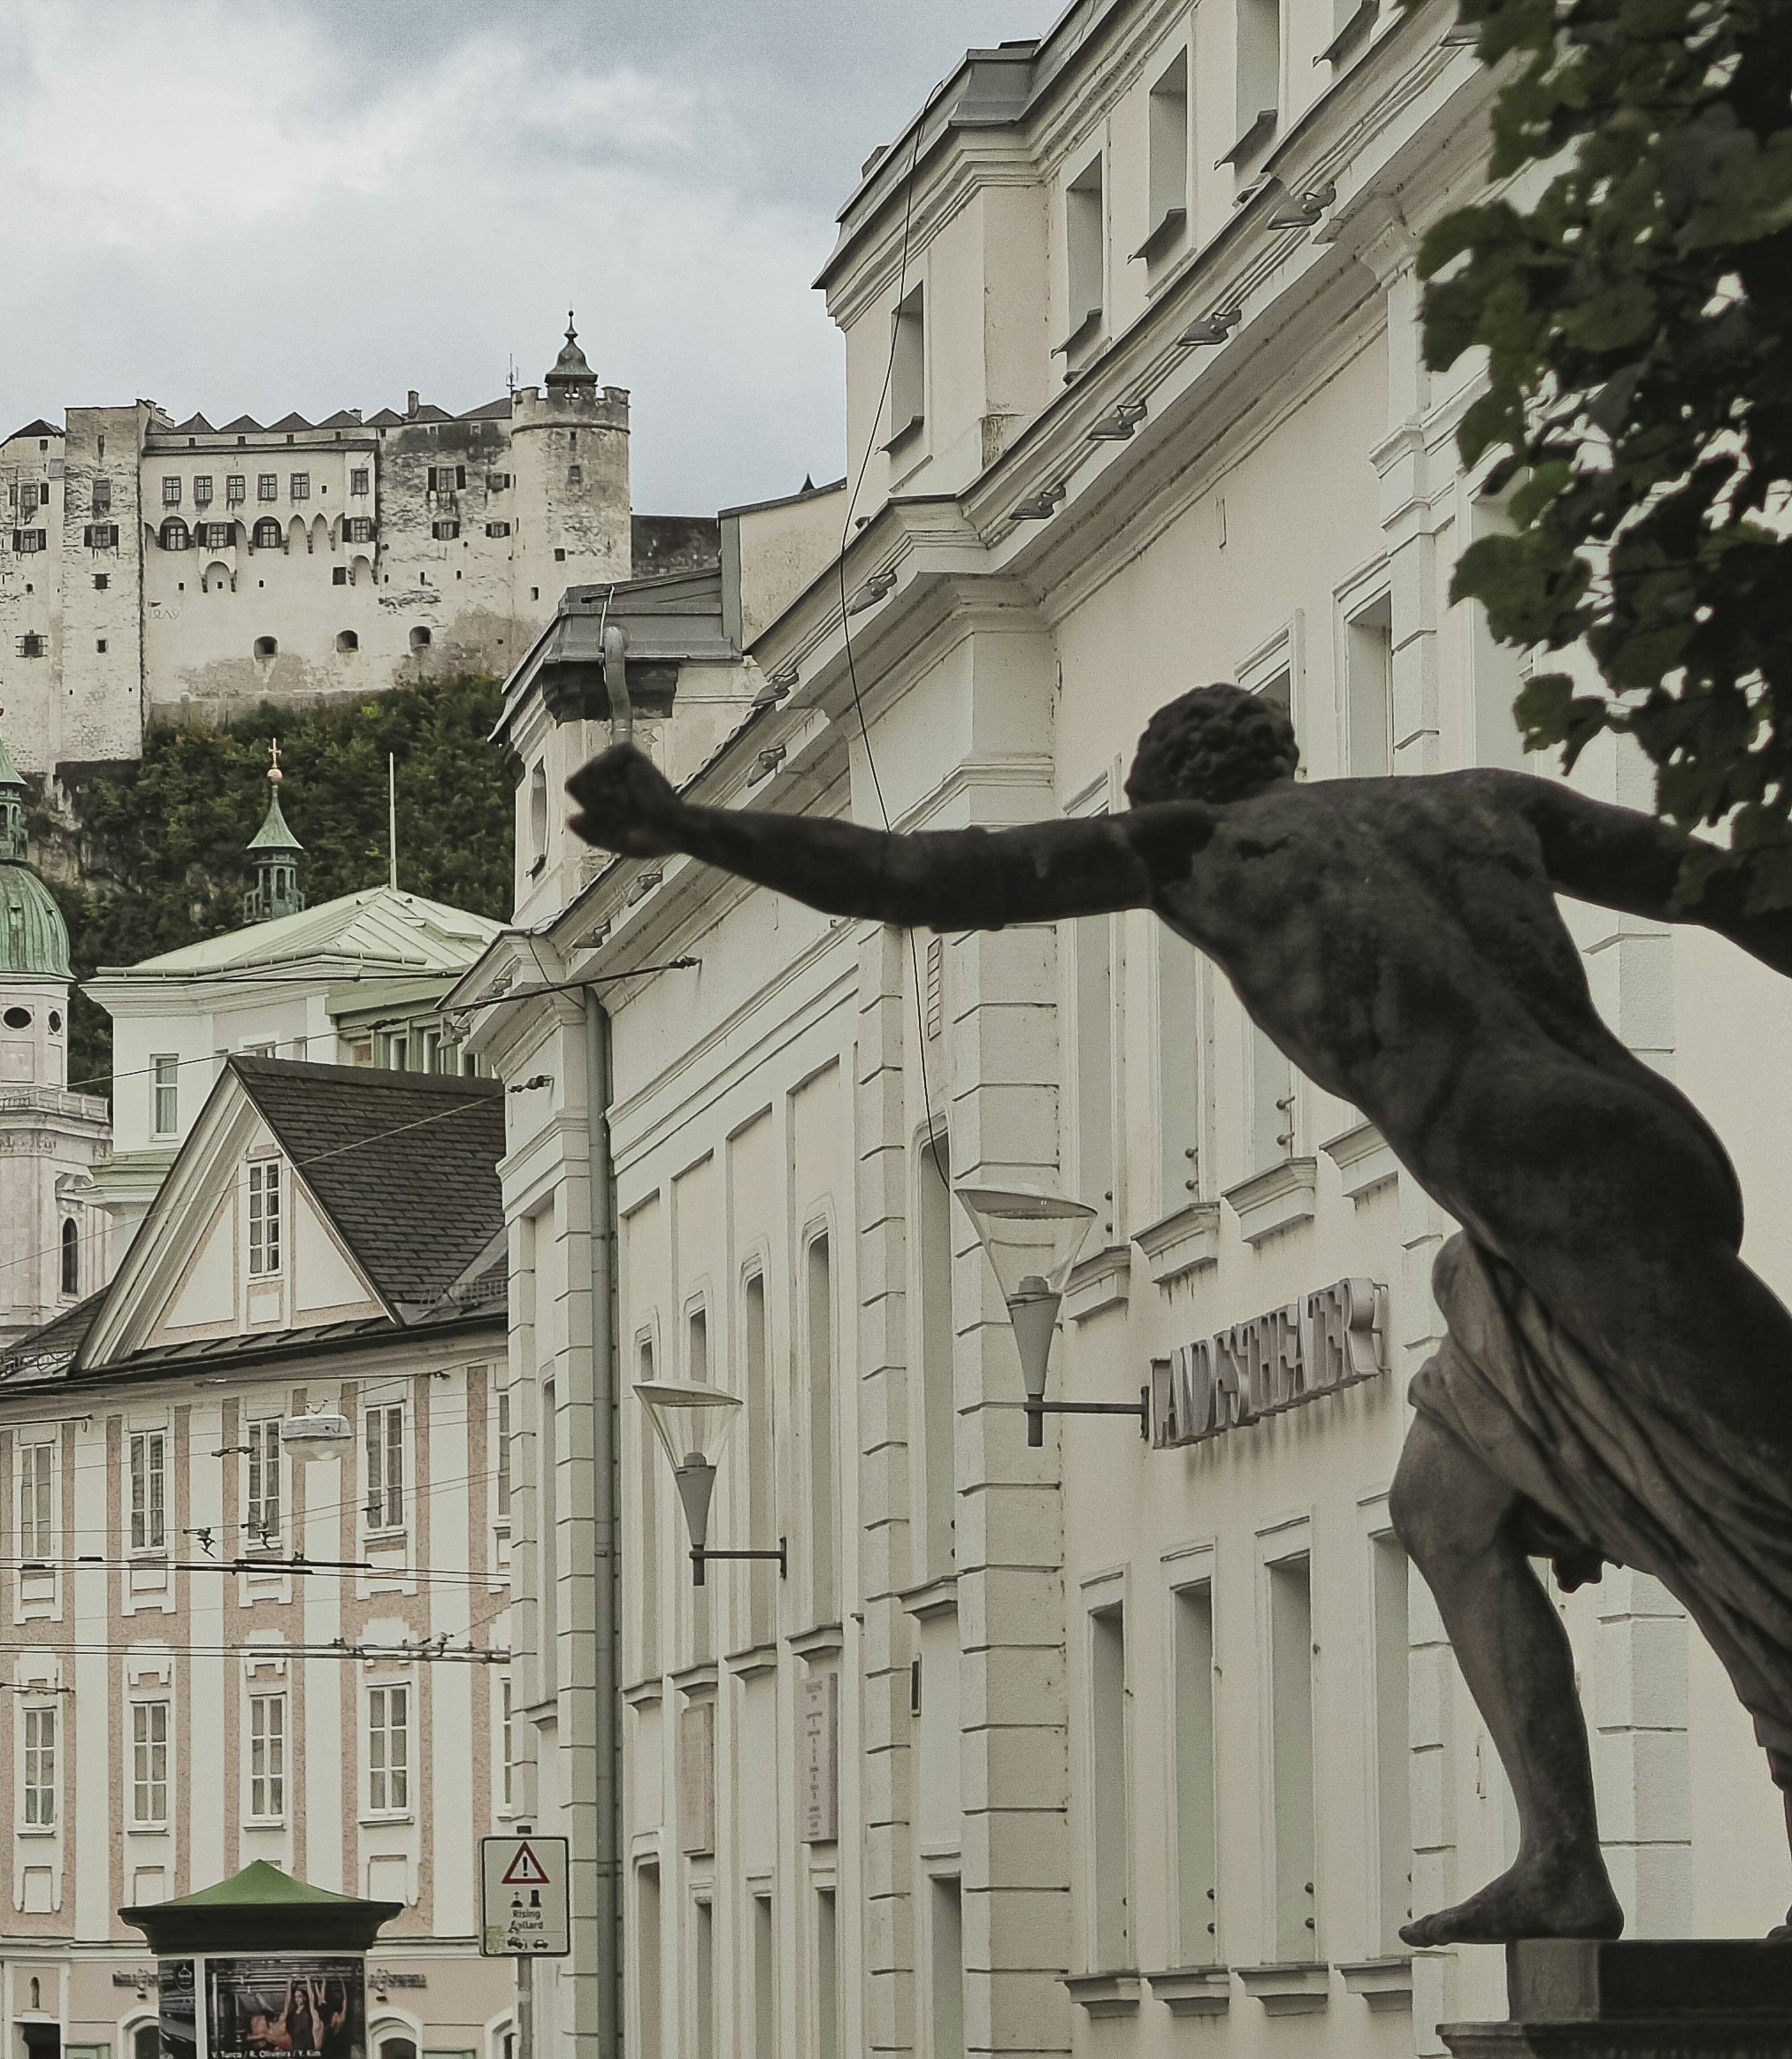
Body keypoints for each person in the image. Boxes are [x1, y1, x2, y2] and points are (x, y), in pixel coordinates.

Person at [567, 684, 1792, 1942]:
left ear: (1170, 789)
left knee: (1759, 1533)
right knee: (1445, 1500)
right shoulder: (1484, 804)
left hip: (1566, 1200)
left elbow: (915, 874)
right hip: (1604, 1170)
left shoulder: (1194, 846)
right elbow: (1720, 885)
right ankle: (1562, 1860)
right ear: (1288, 757)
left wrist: (693, 826)